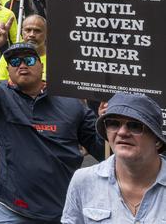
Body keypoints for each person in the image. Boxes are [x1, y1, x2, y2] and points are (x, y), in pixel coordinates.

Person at [0, 21, 105, 223]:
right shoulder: (1, 98)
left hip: (64, 211)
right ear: (9, 71)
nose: (22, 65)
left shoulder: (71, 102)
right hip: (13, 211)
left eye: (29, 60)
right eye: (14, 62)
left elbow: (102, 150)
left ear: (41, 65)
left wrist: (108, 124)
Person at [62, 93, 166, 223]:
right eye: (113, 124)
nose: (122, 132)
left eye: (135, 126)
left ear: (157, 140)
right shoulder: (83, 181)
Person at [0, 14, 47, 83]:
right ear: (22, 32)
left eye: (37, 31)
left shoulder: (56, 59)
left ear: (46, 33)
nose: (32, 34)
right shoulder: (10, 54)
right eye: (28, 30)